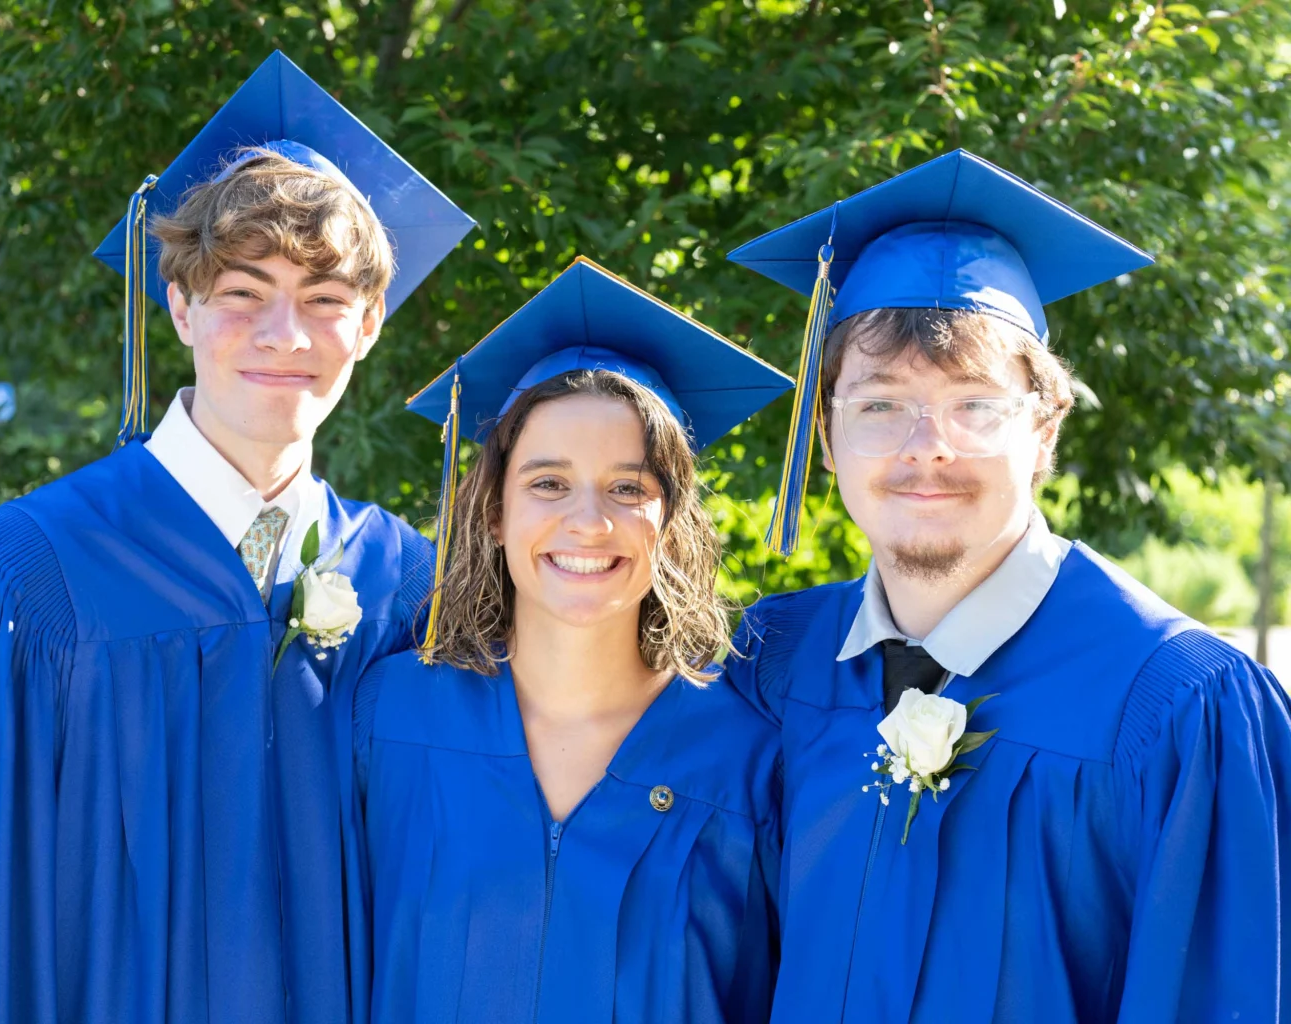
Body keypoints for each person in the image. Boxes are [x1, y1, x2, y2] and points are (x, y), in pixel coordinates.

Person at [0, 51, 473, 1024]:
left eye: (323, 300)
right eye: (241, 292)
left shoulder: (405, 584)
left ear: (371, 324)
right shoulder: (20, 580)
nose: (284, 332)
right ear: (178, 305)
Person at [723, 148, 1291, 1023]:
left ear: (1046, 425)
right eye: (879, 405)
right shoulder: (768, 666)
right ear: (826, 440)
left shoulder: (1179, 707)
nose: (927, 446)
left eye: (975, 405)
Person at [354, 257, 795, 1023]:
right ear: (493, 512)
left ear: (671, 520)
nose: (588, 522)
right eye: (548, 483)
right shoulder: (390, 719)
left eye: (629, 488)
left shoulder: (746, 759)